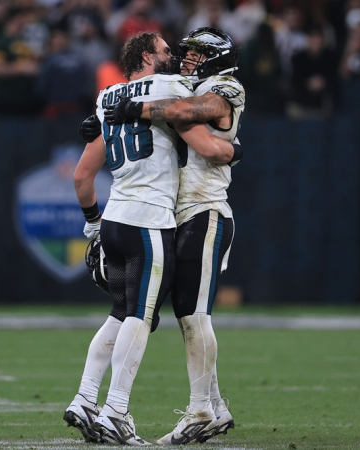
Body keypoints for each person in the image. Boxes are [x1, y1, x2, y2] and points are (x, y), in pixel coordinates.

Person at [63, 31, 238, 445]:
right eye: (167, 52)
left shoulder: (108, 95)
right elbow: (203, 138)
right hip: (151, 218)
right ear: (146, 55)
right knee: (140, 317)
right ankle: (115, 411)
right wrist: (234, 151)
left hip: (115, 217)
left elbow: (83, 174)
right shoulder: (174, 86)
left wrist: (92, 226)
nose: (178, 59)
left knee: (121, 312)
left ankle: (87, 398)